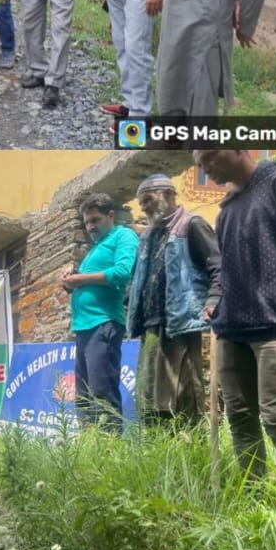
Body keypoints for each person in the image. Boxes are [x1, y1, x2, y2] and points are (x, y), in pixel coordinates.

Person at [199, 149, 276, 483]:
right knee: (239, 418)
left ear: (239, 149)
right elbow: (226, 272)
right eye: (200, 163)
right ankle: (255, 499)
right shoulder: (225, 212)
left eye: (210, 156)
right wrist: (216, 305)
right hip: (232, 329)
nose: (206, 167)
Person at [124, 173, 220, 425]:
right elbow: (138, 277)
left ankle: (191, 447)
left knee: (184, 390)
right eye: (141, 203)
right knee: (150, 394)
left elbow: (218, 267)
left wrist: (213, 300)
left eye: (147, 200)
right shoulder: (147, 236)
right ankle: (160, 449)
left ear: (167, 194)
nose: (143, 207)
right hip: (151, 326)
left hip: (179, 322)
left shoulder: (192, 225)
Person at [61, 195, 138, 430]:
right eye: (87, 223)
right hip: (84, 328)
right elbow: (84, 284)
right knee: (83, 395)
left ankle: (109, 450)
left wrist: (80, 279)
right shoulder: (95, 249)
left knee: (102, 392)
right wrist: (69, 282)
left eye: (95, 220)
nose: (91, 227)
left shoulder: (123, 236)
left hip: (103, 324)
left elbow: (123, 272)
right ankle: (90, 448)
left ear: (111, 216)